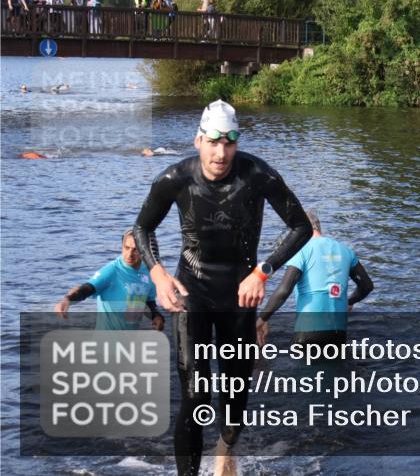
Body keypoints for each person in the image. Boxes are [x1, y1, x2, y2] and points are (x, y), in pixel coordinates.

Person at [132, 99, 311, 476]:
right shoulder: (175, 179)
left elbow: (301, 226)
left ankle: (225, 446)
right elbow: (142, 228)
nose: (221, 152)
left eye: (229, 142)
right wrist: (159, 274)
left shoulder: (257, 175)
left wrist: (263, 271)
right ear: (199, 140)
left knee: (233, 399)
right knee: (196, 395)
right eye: (214, 141)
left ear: (237, 142)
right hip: (191, 293)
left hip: (240, 295)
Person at [256, 210, 373, 347]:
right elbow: (367, 286)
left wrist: (262, 318)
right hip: (338, 333)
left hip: (308, 332)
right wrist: (349, 301)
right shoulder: (345, 250)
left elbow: (284, 290)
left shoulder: (301, 250)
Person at [54, 227, 165, 331]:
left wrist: (157, 316)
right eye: (126, 248)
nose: (129, 254)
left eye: (135, 250)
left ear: (144, 251)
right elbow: (86, 289)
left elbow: (148, 301)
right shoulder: (112, 270)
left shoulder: (149, 272)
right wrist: (67, 300)